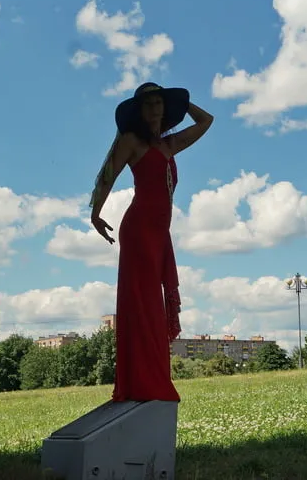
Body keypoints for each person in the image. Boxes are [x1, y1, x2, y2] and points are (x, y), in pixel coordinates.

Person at [89, 82, 213, 402]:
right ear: (139, 112)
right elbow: (108, 175)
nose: (155, 109)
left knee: (154, 309)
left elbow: (206, 121)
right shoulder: (132, 142)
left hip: (160, 235)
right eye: (149, 105)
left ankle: (151, 378)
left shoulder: (169, 145)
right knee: (144, 307)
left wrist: (180, 103)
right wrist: (96, 213)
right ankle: (143, 383)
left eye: (160, 103)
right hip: (140, 230)